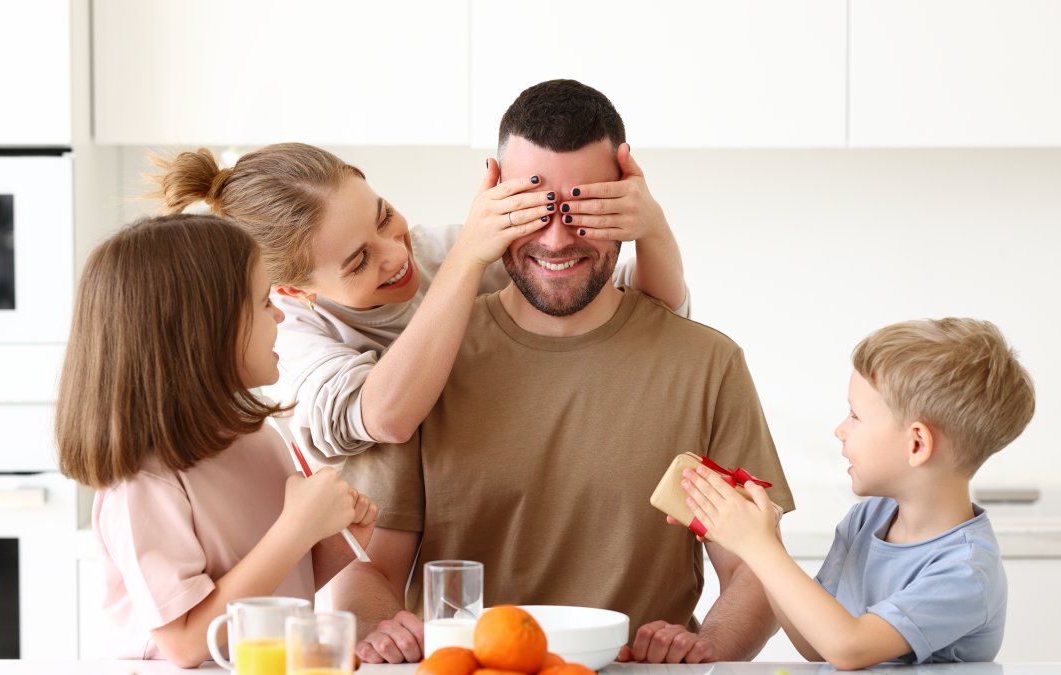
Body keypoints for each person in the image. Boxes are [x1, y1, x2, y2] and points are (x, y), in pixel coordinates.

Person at [330, 79, 796, 665]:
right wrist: (379, 627)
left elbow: (758, 568)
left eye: (585, 210)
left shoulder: (708, 363)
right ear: (494, 200)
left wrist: (709, 647)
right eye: (532, 208)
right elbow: (367, 568)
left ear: (627, 203)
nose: (556, 239)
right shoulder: (426, 365)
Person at [150, 137, 688, 462]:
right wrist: (467, 263)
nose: (394, 255)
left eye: (384, 216)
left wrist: (654, 230)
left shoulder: (448, 250)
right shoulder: (287, 334)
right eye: (358, 261)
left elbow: (648, 325)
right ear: (293, 290)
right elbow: (384, 418)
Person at [55, 214, 377, 665]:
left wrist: (330, 543)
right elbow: (186, 642)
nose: (281, 314)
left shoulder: (257, 439)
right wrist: (297, 527)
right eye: (265, 302)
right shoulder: (145, 483)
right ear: (203, 330)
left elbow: (271, 590)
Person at [680, 318, 1035, 669]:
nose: (840, 430)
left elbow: (847, 647)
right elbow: (814, 644)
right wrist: (763, 537)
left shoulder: (966, 571)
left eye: (855, 415)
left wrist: (759, 547)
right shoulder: (867, 520)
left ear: (916, 443)